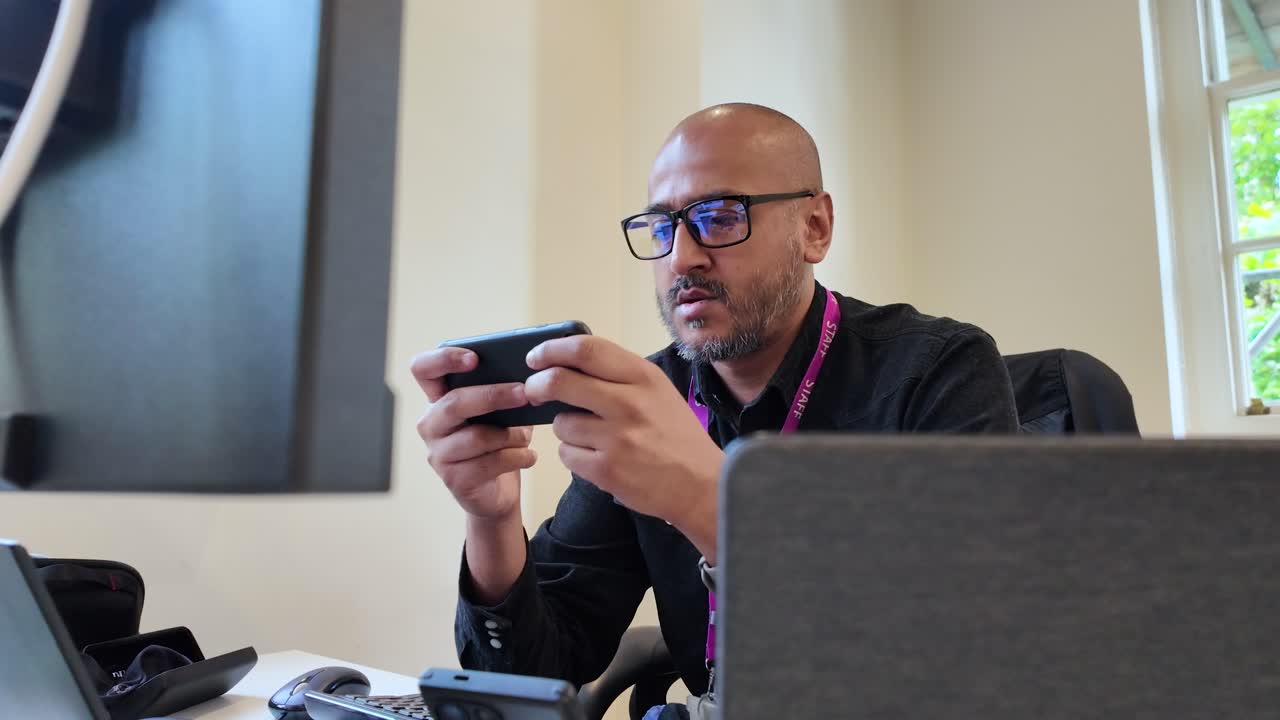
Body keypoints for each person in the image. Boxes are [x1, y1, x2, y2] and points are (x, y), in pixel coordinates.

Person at [410, 103, 1019, 717]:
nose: (682, 257)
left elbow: (963, 660)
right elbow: (540, 671)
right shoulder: (647, 403)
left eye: (720, 218)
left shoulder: (937, 371)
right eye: (662, 227)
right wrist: (491, 519)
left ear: (815, 227)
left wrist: (709, 504)